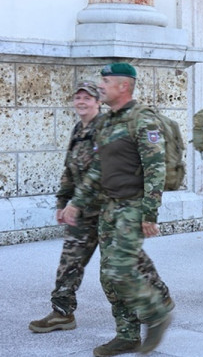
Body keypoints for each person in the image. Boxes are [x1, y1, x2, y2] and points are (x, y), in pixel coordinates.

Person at [60, 63, 173, 355]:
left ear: (123, 86)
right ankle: (127, 334)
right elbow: (97, 168)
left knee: (121, 270)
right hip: (109, 207)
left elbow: (155, 169)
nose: (101, 87)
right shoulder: (108, 121)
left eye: (106, 82)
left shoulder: (142, 120)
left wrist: (150, 213)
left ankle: (156, 313)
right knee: (109, 277)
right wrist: (77, 201)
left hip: (132, 206)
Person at [29, 81, 105, 333]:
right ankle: (62, 312)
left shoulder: (105, 129)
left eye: (87, 98)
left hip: (108, 212)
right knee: (69, 261)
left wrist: (76, 202)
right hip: (81, 212)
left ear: (98, 102)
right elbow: (69, 170)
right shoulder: (78, 129)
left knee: (121, 269)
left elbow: (100, 171)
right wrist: (62, 203)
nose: (81, 102)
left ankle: (156, 303)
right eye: (78, 97)